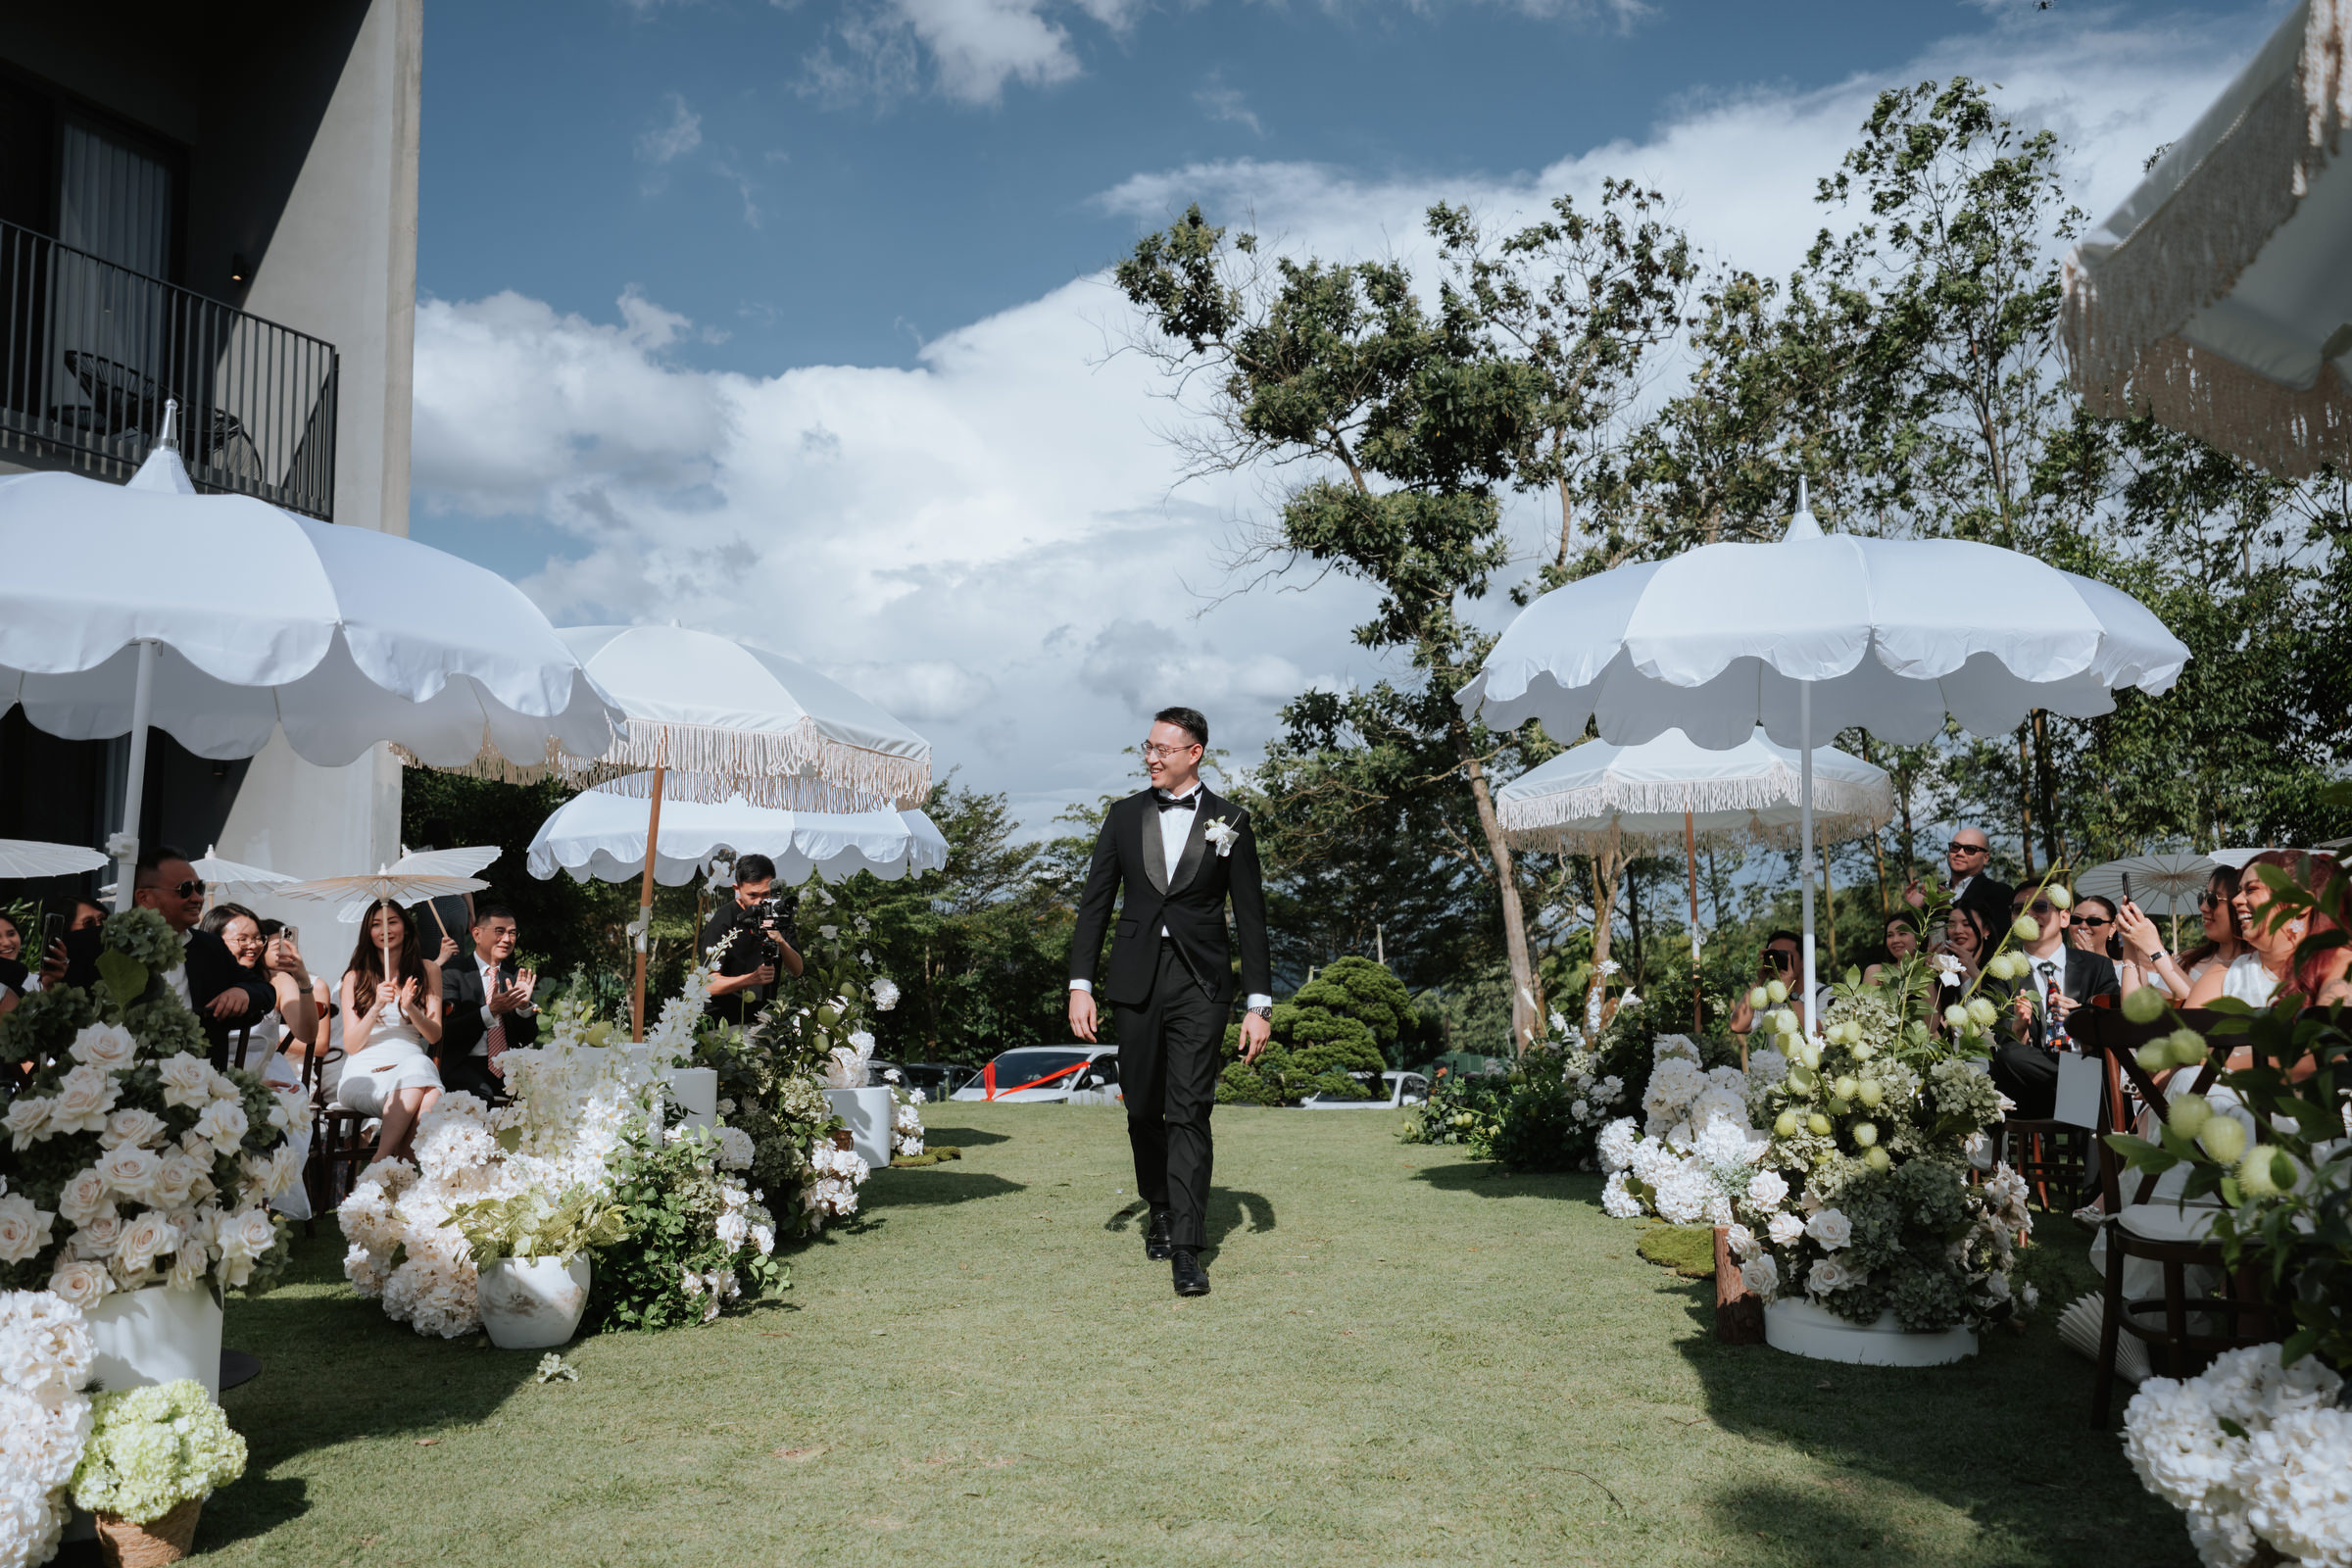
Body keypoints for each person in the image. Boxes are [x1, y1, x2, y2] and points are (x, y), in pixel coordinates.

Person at [1068, 706, 1272, 1298]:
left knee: (1189, 1110)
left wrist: (1259, 1004)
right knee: (1142, 1110)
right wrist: (1080, 985)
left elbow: (1252, 920)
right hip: (1135, 979)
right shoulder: (1123, 816)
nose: (1151, 757)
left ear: (1195, 752)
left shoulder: (1232, 820)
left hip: (1202, 984)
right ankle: (1157, 1204)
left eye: (1163, 748)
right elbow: (1095, 905)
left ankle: (1187, 1244)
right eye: (1148, 747)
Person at [1987, 884, 2120, 1119]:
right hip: (2028, 1088)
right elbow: (2001, 1042)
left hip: (2084, 1069)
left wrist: (2082, 1020)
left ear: (2065, 917)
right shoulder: (2003, 971)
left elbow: (2114, 1024)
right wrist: (2019, 1027)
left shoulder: (2096, 966)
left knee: (2093, 1075)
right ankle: (2079, 1083)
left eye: (2039, 907)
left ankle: (2080, 1087)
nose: (2029, 915)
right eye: (2020, 909)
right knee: (2010, 1055)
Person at [336, 899, 445, 1164]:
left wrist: (410, 1008)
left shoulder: (428, 970)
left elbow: (433, 1035)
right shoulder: (354, 977)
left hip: (410, 1069)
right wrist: (376, 1007)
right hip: (366, 1074)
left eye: (392, 921)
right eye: (376, 924)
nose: (384, 929)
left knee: (420, 1070)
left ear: (406, 928)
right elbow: (351, 1045)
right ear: (368, 933)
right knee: (427, 1087)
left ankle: (386, 1171)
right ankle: (387, 1164)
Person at [132, 846, 273, 1030]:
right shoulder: (106, 946)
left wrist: (243, 993)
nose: (198, 898)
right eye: (185, 889)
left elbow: (264, 990)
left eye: (200, 888)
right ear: (144, 898)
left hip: (199, 1057)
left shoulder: (209, 946)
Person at [195, 906, 318, 1073]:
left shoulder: (277, 980)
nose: (252, 945)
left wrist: (303, 980)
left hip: (264, 1071)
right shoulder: (197, 979)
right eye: (243, 939)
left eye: (258, 938)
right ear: (215, 940)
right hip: (208, 1071)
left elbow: (307, 1035)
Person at [438, 904, 540, 1100]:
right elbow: (446, 1031)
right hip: (463, 1063)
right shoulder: (453, 973)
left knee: (539, 1092)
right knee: (481, 1096)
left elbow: (526, 1038)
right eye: (499, 932)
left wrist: (523, 1008)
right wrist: (490, 1011)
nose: (506, 940)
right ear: (477, 934)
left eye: (512, 933)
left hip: (506, 1067)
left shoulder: (515, 975)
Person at [2115, 867, 2249, 1002]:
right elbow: (2136, 1010)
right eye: (2202, 898)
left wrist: (2155, 950)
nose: (2203, 907)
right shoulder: (2188, 960)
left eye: (2212, 900)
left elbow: (2207, 1007)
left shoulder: (2253, 968)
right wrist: (2129, 942)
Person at [702, 854, 804, 1027]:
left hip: (763, 1024)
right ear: (736, 889)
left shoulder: (779, 915)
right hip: (722, 1025)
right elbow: (707, 985)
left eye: (766, 894)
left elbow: (798, 970)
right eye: (752, 895)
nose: (759, 902)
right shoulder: (724, 920)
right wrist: (750, 979)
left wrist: (780, 941)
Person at [1728, 930, 1832, 1035]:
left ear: (1804, 961)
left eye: (1785, 955)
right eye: (1773, 955)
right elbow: (1737, 1026)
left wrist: (1789, 992)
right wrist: (1759, 981)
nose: (1777, 961)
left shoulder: (1824, 993)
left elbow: (1819, 1034)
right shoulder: (1769, 996)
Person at [1862, 913, 1922, 986]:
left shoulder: (1929, 971)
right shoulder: (1875, 972)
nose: (1895, 940)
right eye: (1890, 935)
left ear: (1919, 936)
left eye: (1902, 933)